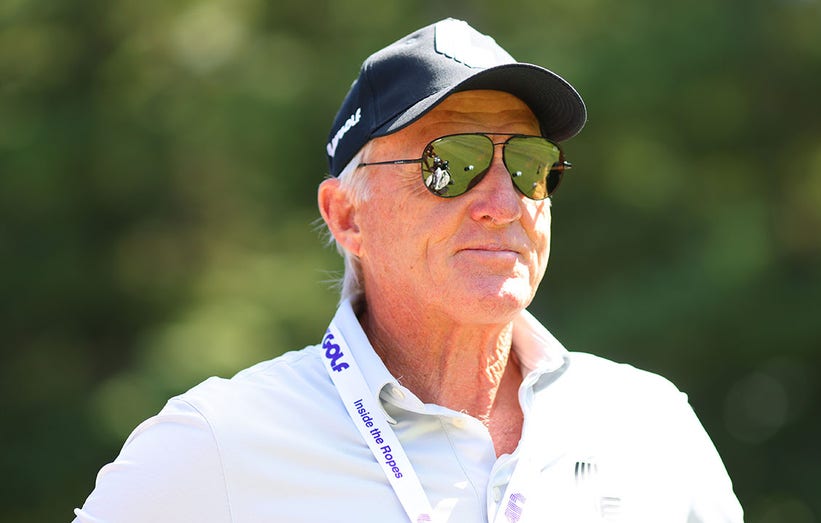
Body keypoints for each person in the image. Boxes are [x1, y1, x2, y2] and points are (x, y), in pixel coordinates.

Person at [73, 18, 743, 523]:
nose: (504, 202)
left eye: (529, 164)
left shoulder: (647, 422)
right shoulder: (217, 444)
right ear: (347, 217)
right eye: (451, 163)